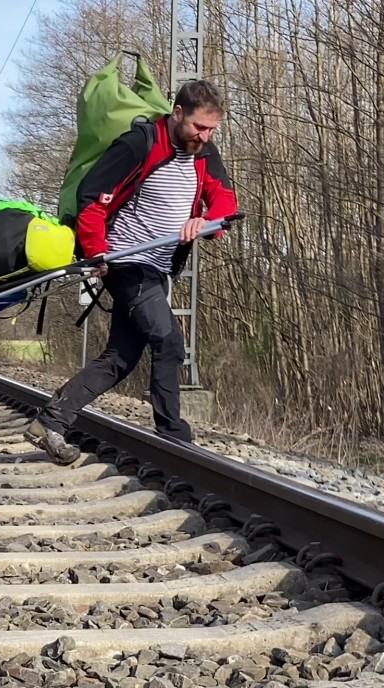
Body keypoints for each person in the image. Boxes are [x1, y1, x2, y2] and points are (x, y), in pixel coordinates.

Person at [25, 80, 238, 465]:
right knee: (169, 340)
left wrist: (207, 220)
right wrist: (96, 253)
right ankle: (173, 437)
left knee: (120, 358)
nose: (204, 137)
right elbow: (93, 199)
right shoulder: (140, 143)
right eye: (198, 128)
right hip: (125, 260)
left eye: (211, 131)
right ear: (177, 114)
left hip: (158, 268)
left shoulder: (205, 153)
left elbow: (224, 199)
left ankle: (50, 422)